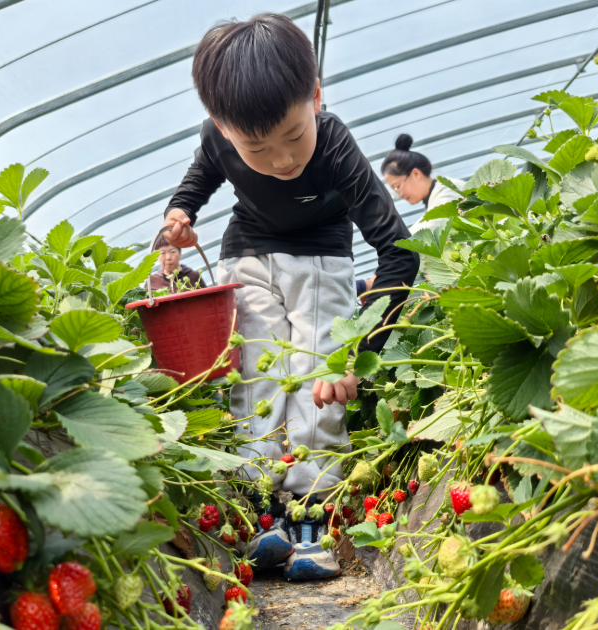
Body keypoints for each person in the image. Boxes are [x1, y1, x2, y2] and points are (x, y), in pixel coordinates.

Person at [159, 14, 418, 580]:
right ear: (223, 128)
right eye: (256, 146)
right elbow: (199, 178)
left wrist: (362, 351)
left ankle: (310, 522)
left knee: (317, 383)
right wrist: (179, 215)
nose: (281, 160)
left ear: (316, 97)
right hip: (245, 255)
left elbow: (399, 253)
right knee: (256, 380)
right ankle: (258, 516)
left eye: (295, 136)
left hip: (324, 262)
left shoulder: (337, 146)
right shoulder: (216, 140)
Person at [355, 134, 466, 303]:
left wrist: (375, 278)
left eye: (397, 187)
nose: (399, 195)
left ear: (415, 174)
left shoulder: (449, 192)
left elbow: (426, 230)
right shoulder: (435, 199)